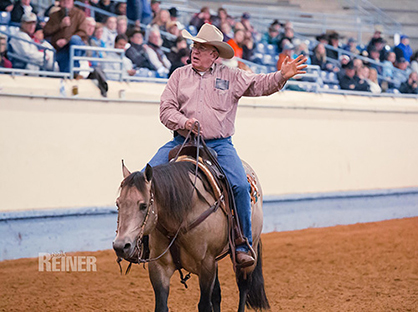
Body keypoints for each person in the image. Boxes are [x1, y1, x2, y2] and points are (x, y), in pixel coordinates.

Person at [147, 23, 307, 267]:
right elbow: (166, 110)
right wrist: (184, 121)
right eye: (194, 46)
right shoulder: (179, 75)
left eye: (202, 48)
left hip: (219, 145)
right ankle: (140, 240)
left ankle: (242, 243)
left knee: (240, 186)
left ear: (215, 54)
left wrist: (281, 76)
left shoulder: (231, 76)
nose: (195, 51)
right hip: (181, 141)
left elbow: (259, 84)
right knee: (143, 179)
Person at [43, 0, 87, 73]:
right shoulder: (54, 15)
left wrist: (67, 40)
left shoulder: (80, 14)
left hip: (74, 46)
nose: (66, 1)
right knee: (65, 71)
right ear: (60, 2)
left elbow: (83, 32)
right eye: (63, 0)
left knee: (75, 39)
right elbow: (46, 31)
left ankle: (75, 69)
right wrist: (60, 25)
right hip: (59, 48)